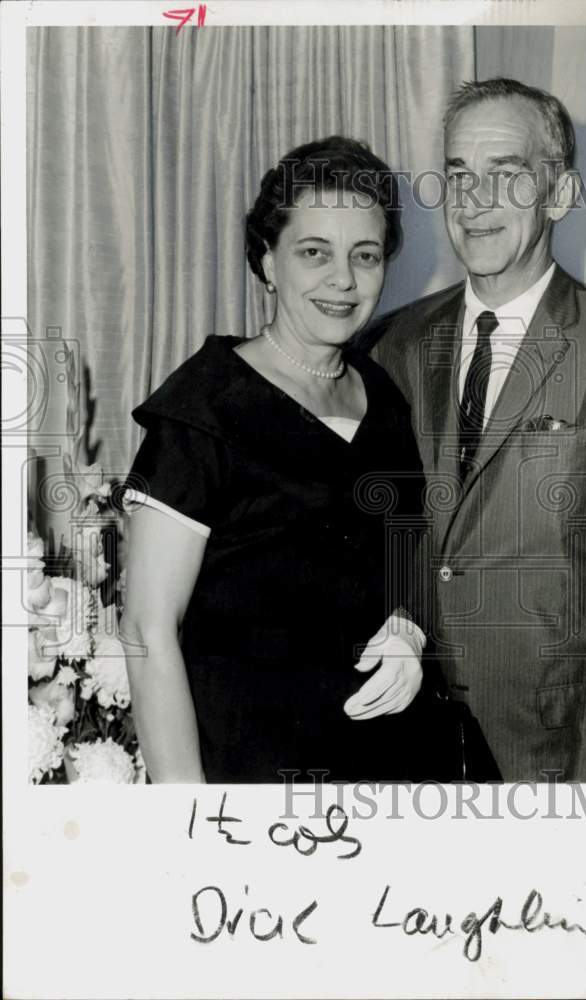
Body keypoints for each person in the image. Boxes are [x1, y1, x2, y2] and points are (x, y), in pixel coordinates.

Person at [366, 78, 586, 782]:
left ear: (560, 195)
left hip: (543, 760)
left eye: (505, 176)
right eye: (458, 176)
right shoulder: (392, 343)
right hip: (400, 746)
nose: (474, 202)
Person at [120, 136, 434, 784]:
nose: (343, 280)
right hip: (245, 772)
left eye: (365, 256)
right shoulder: (205, 406)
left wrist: (408, 625)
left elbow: (402, 548)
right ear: (267, 260)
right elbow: (148, 632)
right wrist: (195, 820)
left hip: (382, 764)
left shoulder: (384, 400)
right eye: (314, 253)